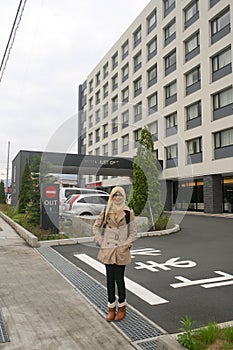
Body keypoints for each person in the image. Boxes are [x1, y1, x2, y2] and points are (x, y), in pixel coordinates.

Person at [93, 186, 136, 322]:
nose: (118, 197)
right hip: (108, 250)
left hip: (121, 251)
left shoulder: (129, 212)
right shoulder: (106, 210)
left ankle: (122, 308)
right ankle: (111, 308)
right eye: (115, 195)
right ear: (111, 196)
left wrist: (126, 245)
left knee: (119, 279)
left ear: (123, 197)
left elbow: (133, 232)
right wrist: (101, 241)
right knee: (109, 280)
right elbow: (96, 226)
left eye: (120, 195)